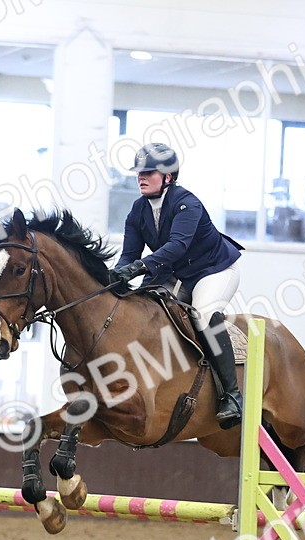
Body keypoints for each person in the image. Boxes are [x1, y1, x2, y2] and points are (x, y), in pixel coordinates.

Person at [111, 143, 245, 429]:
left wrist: (140, 267)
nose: (141, 177)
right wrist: (115, 275)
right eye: (139, 173)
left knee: (203, 314)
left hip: (213, 270)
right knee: (145, 310)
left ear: (168, 177)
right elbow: (129, 254)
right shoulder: (137, 210)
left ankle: (232, 396)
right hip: (175, 272)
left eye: (149, 172)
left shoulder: (187, 203)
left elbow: (176, 246)